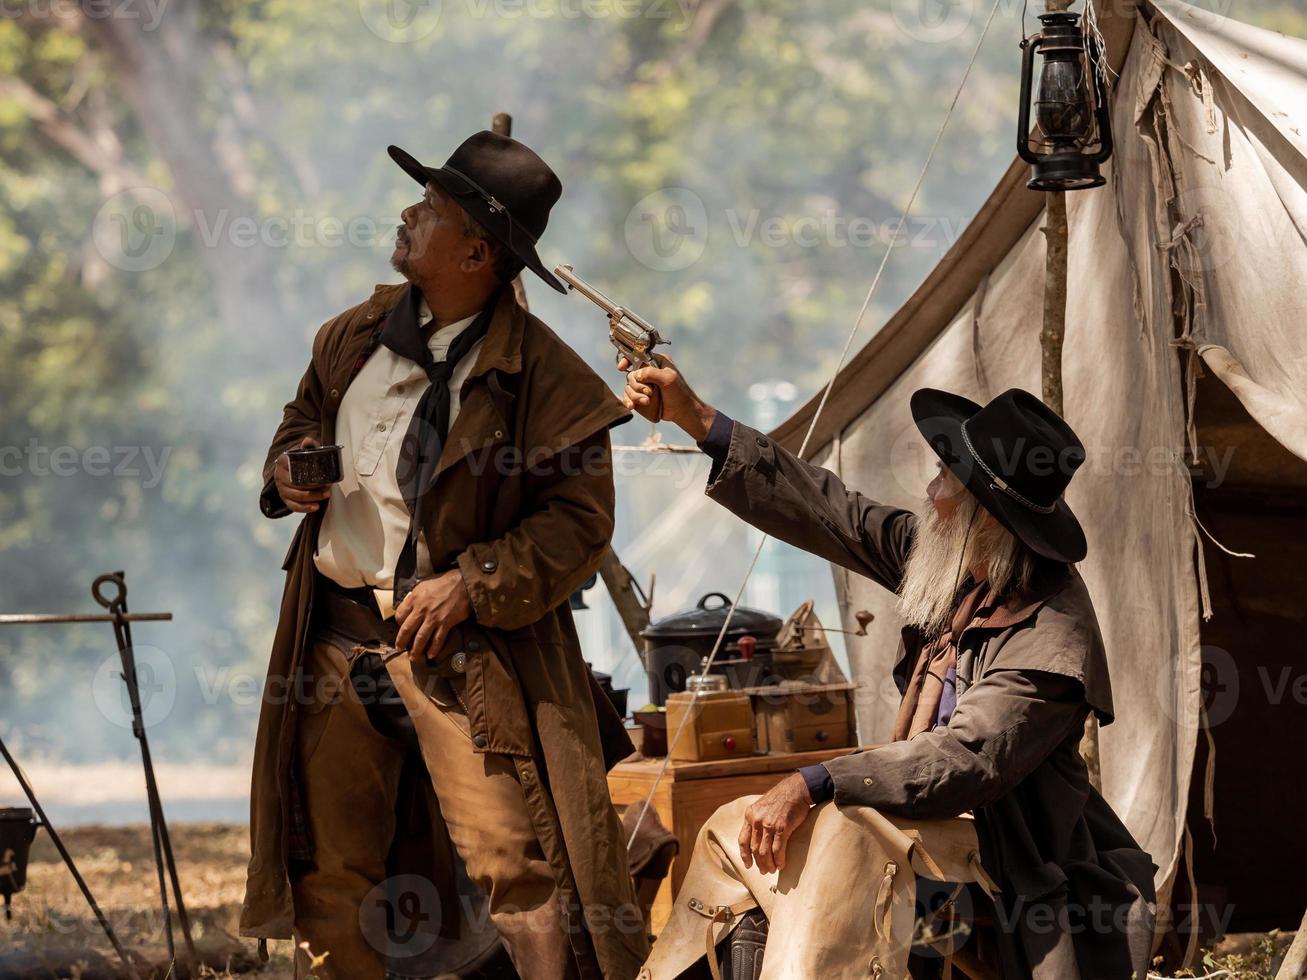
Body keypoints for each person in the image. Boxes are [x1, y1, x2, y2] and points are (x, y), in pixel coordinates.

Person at [239, 131, 649, 980]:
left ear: (473, 251)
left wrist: (473, 581)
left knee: (518, 869)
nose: (406, 213)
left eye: (428, 209)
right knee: (332, 869)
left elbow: (579, 524)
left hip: (463, 656)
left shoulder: (547, 376)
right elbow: (299, 422)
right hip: (335, 639)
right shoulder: (348, 337)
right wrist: (288, 470)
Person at [618, 357, 1156, 979]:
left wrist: (816, 779)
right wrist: (697, 418)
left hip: (1013, 861)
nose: (929, 493)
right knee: (736, 831)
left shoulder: (1053, 638)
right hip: (921, 824)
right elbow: (832, 511)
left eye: (944, 481)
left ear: (987, 518)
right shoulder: (961, 566)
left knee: (843, 837)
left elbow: (965, 759)